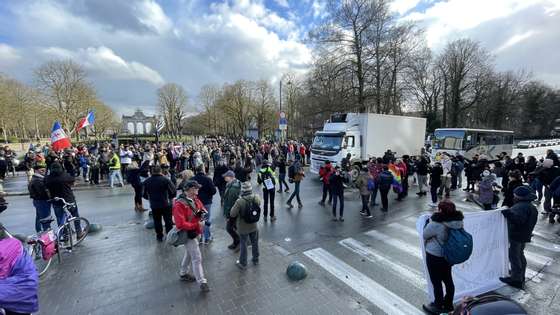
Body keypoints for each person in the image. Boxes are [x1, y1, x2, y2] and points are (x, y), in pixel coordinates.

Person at [422, 200, 464, 314]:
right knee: (448, 280)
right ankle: (449, 304)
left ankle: (438, 305)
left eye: (438, 208)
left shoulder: (436, 223)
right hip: (449, 256)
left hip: (435, 256)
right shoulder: (458, 221)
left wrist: (429, 222)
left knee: (436, 281)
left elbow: (425, 234)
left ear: (441, 210)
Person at [172, 180, 210, 292]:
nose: (198, 190)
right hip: (188, 234)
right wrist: (196, 224)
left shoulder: (195, 199)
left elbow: (201, 209)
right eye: (195, 188)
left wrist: (202, 214)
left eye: (197, 188)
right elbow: (180, 224)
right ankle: (202, 281)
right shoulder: (179, 204)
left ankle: (183, 273)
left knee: (189, 253)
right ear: (188, 190)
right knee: (197, 257)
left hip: (196, 231)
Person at [500, 186, 538, 289]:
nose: (514, 196)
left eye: (515, 195)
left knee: (514, 256)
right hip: (524, 235)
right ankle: (520, 275)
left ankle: (516, 279)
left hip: (517, 235)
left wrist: (507, 213)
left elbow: (518, 220)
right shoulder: (530, 206)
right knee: (520, 255)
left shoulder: (521, 207)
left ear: (519, 196)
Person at [44, 162, 83, 237]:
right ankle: (79, 232)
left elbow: (45, 186)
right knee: (75, 215)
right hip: (68, 199)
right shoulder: (65, 176)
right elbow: (73, 181)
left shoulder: (48, 178)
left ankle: (65, 234)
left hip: (56, 201)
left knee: (60, 218)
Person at [230, 181, 260, 269]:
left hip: (243, 227)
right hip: (254, 225)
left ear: (242, 191)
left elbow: (232, 214)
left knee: (244, 244)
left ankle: (243, 263)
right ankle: (256, 259)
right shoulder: (256, 197)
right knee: (255, 243)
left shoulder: (240, 201)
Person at [143, 165, 176, 242]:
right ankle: (169, 235)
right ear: (160, 171)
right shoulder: (165, 180)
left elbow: (143, 193)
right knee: (168, 220)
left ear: (152, 172)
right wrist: (170, 197)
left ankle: (159, 236)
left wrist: (149, 198)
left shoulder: (147, 181)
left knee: (157, 220)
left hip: (154, 204)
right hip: (166, 203)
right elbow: (173, 191)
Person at [192, 166, 217, 244]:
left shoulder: (192, 179)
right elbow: (213, 191)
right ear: (203, 170)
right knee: (205, 220)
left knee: (198, 219)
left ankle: (199, 238)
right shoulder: (207, 179)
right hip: (206, 202)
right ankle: (207, 237)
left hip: (196, 203)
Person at [28, 164, 51, 233]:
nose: (44, 171)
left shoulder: (36, 178)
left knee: (39, 216)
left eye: (44, 170)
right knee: (45, 218)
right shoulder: (37, 180)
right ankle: (46, 233)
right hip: (42, 201)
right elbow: (42, 193)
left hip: (38, 201)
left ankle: (39, 231)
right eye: (41, 170)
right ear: (36, 171)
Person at [222, 170, 241, 250]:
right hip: (235, 211)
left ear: (231, 177)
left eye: (226, 177)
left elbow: (230, 203)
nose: (224, 178)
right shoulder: (231, 184)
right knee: (236, 227)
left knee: (229, 228)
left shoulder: (233, 188)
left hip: (233, 212)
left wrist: (228, 215)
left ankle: (238, 242)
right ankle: (242, 241)